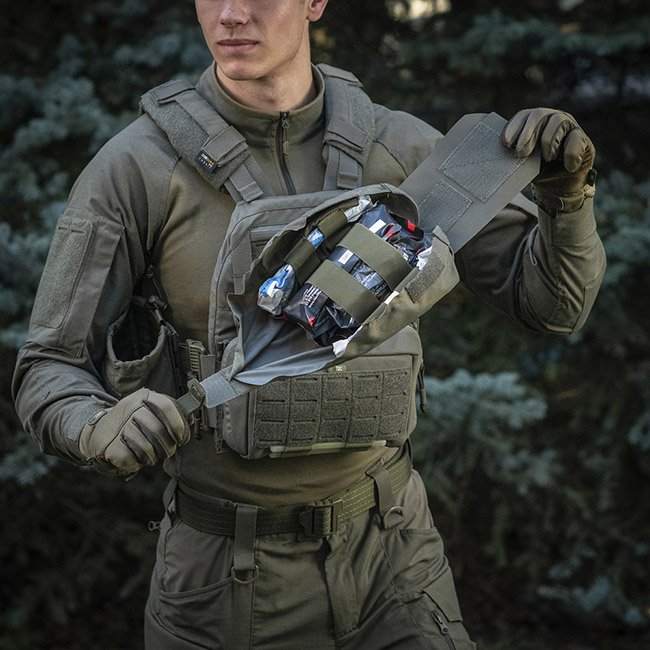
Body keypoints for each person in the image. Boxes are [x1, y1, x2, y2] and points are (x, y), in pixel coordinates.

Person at [12, 0, 606, 648]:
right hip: (224, 582)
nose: (231, 14)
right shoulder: (138, 169)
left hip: (396, 558)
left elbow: (553, 306)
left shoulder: (403, 148)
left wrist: (565, 198)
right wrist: (94, 426)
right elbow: (49, 365)